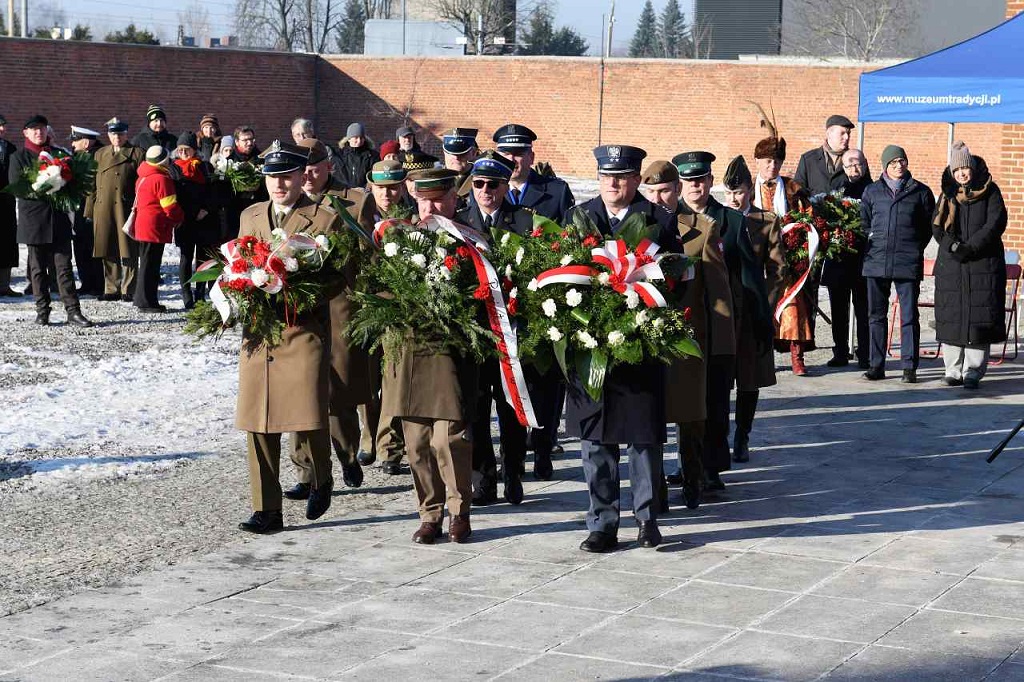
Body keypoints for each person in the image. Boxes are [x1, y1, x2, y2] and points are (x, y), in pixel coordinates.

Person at [563, 144, 681, 552]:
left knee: (642, 438)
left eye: (622, 176)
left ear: (635, 179)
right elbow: (560, 273)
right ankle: (602, 523)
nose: (613, 183)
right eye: (606, 176)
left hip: (638, 348)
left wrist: (647, 314)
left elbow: (675, 279)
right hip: (589, 348)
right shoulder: (578, 217)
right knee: (595, 439)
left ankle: (647, 518)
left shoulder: (659, 220)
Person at [235, 141, 339, 534]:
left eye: (287, 176)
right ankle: (267, 509)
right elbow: (239, 263)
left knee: (308, 414)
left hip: (303, 330)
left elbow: (340, 276)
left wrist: (298, 289)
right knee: (258, 420)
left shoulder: (324, 219)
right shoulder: (250, 216)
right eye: (272, 177)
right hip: (260, 333)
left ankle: (321, 476)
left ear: (301, 176)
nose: (279, 184)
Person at [382, 167, 477, 544]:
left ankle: (459, 511)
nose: (431, 208)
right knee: (417, 444)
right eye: (424, 201)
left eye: (438, 200)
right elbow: (378, 290)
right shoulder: (398, 238)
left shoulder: (470, 239)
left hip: (450, 356)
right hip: (409, 354)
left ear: (453, 199)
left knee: (448, 440)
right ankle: (430, 514)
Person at [280, 137, 375, 497]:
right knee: (299, 391)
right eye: (300, 170)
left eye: (312, 168)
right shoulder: (286, 203)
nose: (306, 175)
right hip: (299, 312)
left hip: (339, 309)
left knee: (339, 392)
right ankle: (307, 472)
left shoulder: (354, 201)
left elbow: (367, 256)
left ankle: (347, 454)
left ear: (328, 167)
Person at [674, 150, 769, 494]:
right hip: (683, 323)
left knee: (715, 399)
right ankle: (688, 465)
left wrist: (761, 319)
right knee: (685, 400)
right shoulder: (669, 220)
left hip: (720, 324)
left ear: (711, 182)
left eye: (701, 180)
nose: (695, 186)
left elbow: (750, 275)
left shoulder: (731, 221)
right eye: (688, 181)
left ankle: (711, 468)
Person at [493, 123, 576, 479]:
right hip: (500, 300)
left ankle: (543, 446)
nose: (513, 160)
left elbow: (569, 241)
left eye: (519, 153)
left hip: (544, 301)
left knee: (546, 381)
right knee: (507, 379)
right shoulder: (487, 188)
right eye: (506, 153)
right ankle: (510, 451)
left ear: (531, 156)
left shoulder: (555, 192)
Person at [649, 158, 731, 510]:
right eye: (652, 191)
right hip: (647, 339)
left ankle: (693, 480)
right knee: (649, 418)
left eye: (665, 191)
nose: (658, 198)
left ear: (677, 189)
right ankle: (653, 489)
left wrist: (721, 346)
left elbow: (719, 292)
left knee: (691, 417)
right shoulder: (637, 226)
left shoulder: (702, 229)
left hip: (689, 339)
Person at [456, 150, 532, 506]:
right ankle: (483, 479)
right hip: (474, 333)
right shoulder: (458, 222)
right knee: (475, 409)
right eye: (479, 184)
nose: (485, 191)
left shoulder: (525, 221)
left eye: (493, 184)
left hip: (511, 332)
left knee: (511, 407)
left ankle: (513, 472)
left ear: (505, 186)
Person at [721, 156, 783, 464]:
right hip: (723, 309)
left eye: (739, 192)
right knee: (720, 379)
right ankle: (718, 437)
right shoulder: (716, 219)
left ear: (749, 190)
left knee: (749, 379)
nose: (733, 199)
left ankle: (742, 435)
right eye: (729, 192)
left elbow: (777, 269)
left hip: (752, 310)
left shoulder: (766, 221)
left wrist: (765, 305)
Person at [933, 141, 1007, 390]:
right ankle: (952, 370)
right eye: (956, 170)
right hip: (952, 266)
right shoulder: (947, 194)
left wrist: (971, 247)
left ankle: (973, 370)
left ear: (972, 168)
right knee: (952, 317)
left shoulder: (991, 192)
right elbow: (937, 226)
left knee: (978, 317)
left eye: (965, 168)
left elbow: (995, 223)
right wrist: (953, 246)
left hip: (982, 263)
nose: (961, 174)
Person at [861, 145, 936, 383]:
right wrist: (873, 242)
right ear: (885, 165)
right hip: (876, 261)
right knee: (876, 315)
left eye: (902, 161)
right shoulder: (872, 191)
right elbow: (864, 223)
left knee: (909, 315)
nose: (898, 166)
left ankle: (909, 366)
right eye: (893, 162)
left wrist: (914, 247)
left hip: (907, 261)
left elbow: (928, 227)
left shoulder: (921, 192)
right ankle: (876, 365)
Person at [10, 115, 92, 327]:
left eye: (42, 129)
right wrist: (46, 185)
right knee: (37, 270)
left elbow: (73, 183)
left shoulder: (59, 154)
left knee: (64, 268)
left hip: (58, 220)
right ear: (26, 133)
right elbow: (18, 187)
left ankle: (73, 311)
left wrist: (64, 180)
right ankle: (42, 311)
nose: (39, 132)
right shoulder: (19, 157)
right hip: (34, 221)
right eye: (34, 129)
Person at [750, 119, 812, 376]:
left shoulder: (793, 189)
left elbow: (807, 220)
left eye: (776, 162)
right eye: (767, 161)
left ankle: (797, 357)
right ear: (757, 161)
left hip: (786, 258)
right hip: (754, 258)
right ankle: (760, 356)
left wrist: (799, 244)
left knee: (792, 307)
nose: (772, 166)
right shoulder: (746, 189)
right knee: (757, 307)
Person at [821, 148, 873, 369]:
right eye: (849, 164)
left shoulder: (873, 190)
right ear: (843, 167)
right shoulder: (836, 188)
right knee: (838, 310)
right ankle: (840, 351)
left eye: (858, 163)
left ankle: (865, 353)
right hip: (839, 259)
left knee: (864, 310)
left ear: (865, 164)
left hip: (864, 259)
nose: (854, 168)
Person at [86, 118, 145, 302]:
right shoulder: (100, 153)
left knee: (128, 249)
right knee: (107, 246)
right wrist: (89, 209)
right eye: (113, 134)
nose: (117, 137)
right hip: (103, 207)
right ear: (108, 135)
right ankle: (111, 288)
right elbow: (92, 183)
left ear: (126, 134)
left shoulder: (136, 153)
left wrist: (139, 209)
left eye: (120, 134)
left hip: (125, 208)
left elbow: (142, 183)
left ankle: (128, 288)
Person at [172, 131, 223, 310]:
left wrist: (206, 209)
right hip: (185, 219)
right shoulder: (174, 168)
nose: (183, 153)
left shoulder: (205, 167)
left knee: (202, 258)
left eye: (187, 149)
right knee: (185, 258)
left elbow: (214, 192)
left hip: (204, 219)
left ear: (194, 149)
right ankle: (186, 294)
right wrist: (190, 212)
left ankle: (200, 294)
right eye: (180, 149)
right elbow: (175, 194)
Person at [132, 146, 183, 313]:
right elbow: (170, 207)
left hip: (143, 225)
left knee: (146, 264)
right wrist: (179, 218)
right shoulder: (161, 179)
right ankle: (147, 302)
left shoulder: (143, 176)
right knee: (151, 266)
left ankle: (144, 299)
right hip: (155, 227)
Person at [68, 126, 105, 297]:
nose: (72, 144)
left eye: (75, 140)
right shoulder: (78, 157)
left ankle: (98, 284)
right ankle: (86, 282)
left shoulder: (98, 156)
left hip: (93, 209)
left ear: (85, 142)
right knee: (80, 246)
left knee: (93, 246)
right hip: (78, 209)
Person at [794, 114, 856, 195]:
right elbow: (798, 191)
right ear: (829, 134)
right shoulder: (808, 160)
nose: (847, 137)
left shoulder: (856, 160)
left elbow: (867, 192)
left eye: (848, 133)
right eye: (842, 133)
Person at [224, 126, 267, 241]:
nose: (249, 143)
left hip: (258, 210)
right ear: (237, 142)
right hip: (235, 212)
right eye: (245, 140)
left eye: (251, 139)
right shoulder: (228, 162)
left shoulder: (262, 159)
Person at [0, 113, 18, 296]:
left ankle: (4, 285)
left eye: (3, 125)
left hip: (6, 204)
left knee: (7, 243)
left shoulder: (10, 148)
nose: (2, 129)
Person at [442, 127, 479, 210]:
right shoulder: (435, 179)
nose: (456, 157)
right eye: (451, 152)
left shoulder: (484, 182)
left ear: (473, 153)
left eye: (462, 153)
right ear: (444, 152)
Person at [337, 122, 376, 190]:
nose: (359, 141)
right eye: (356, 137)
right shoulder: (339, 156)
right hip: (344, 192)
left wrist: (366, 187)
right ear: (349, 139)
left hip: (364, 193)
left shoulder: (372, 156)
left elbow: (374, 176)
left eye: (361, 138)